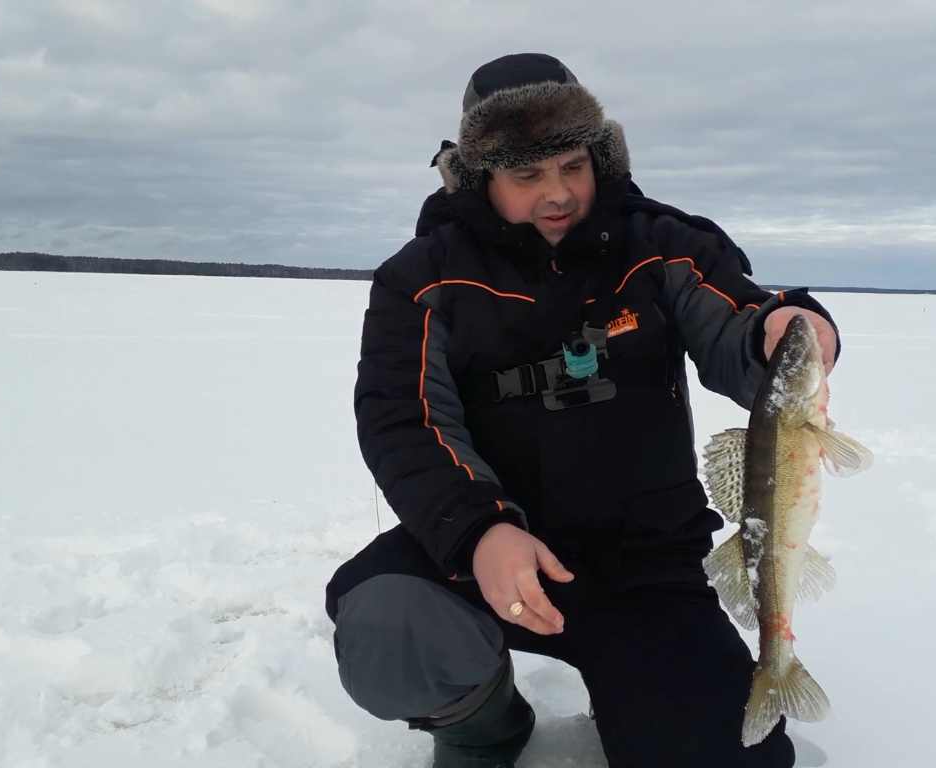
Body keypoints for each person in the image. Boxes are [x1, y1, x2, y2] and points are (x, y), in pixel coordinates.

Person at [324, 52, 842, 768]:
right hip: (495, 556)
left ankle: (634, 693)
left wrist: (783, 331)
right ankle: (484, 723)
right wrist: (480, 532)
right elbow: (404, 418)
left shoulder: (660, 244)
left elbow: (736, 320)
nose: (558, 194)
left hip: (643, 564)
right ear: (481, 176)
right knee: (387, 619)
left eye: (572, 164)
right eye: (527, 174)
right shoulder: (422, 279)